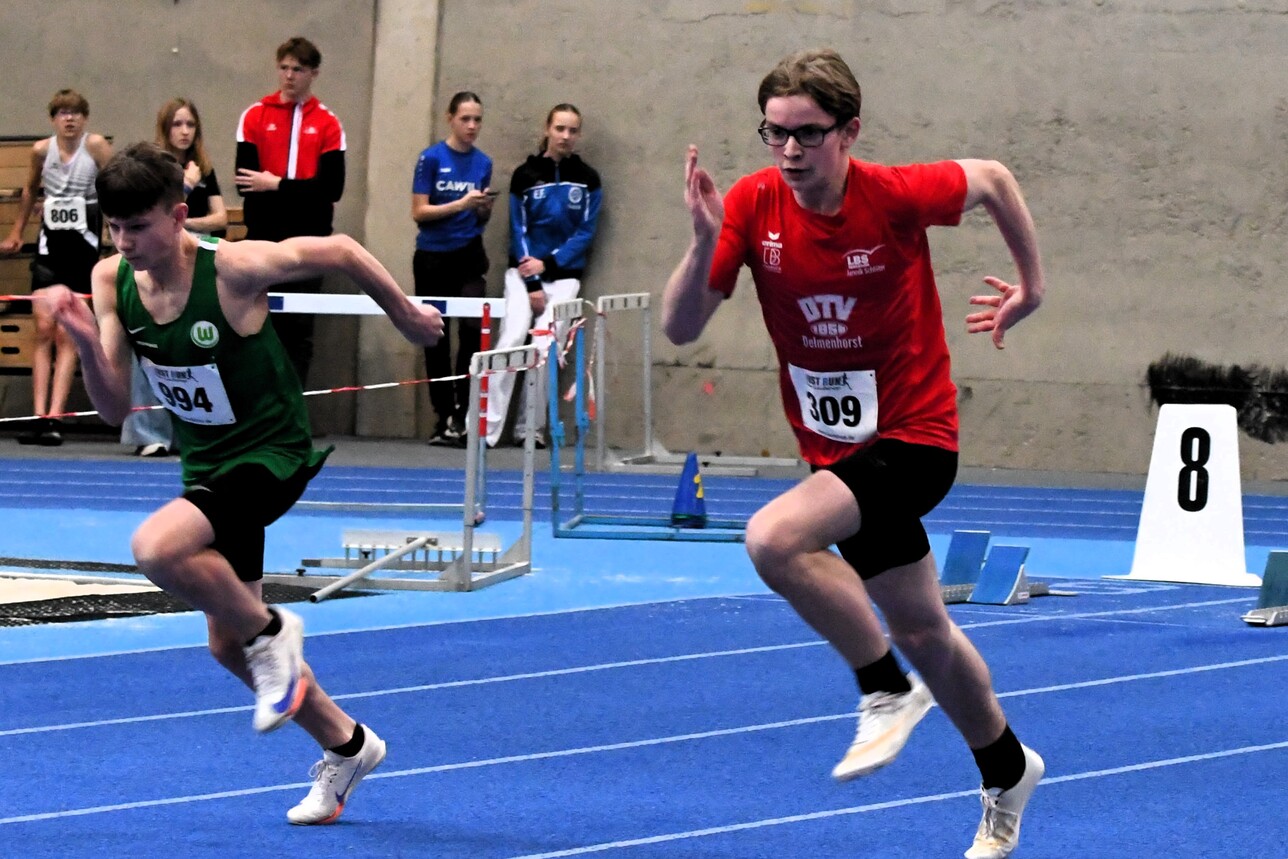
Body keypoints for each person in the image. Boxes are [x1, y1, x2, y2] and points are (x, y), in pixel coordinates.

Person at [660, 49, 1046, 859]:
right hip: (835, 452)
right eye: (775, 133)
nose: (790, 152)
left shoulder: (896, 194)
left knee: (771, 538)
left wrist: (1029, 285)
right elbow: (681, 327)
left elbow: (996, 178)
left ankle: (881, 690)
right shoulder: (752, 203)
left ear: (849, 132)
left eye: (807, 134)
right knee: (927, 630)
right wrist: (701, 243)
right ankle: (1007, 768)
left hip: (914, 437)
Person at [40, 142, 443, 824]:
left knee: (157, 548)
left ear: (177, 217)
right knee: (225, 642)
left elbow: (342, 248)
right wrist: (82, 334)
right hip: (207, 465)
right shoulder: (111, 280)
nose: (126, 242)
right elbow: (113, 410)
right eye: (115, 227)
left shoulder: (234, 268)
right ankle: (346, 745)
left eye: (138, 226)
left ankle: (275, 633)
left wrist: (403, 315)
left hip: (269, 454)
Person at [484, 103, 602, 449]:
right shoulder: (524, 175)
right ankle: (486, 431)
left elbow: (585, 232)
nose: (566, 136)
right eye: (560, 129)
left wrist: (548, 265)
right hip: (522, 274)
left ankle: (529, 430)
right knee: (511, 339)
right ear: (548, 129)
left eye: (572, 130)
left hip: (564, 276)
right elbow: (517, 229)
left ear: (578, 135)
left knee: (545, 347)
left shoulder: (589, 179)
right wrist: (532, 280)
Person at [0, 89, 112, 446]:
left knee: (68, 333)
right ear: (52, 119)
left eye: (76, 113)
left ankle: (55, 418)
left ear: (85, 119)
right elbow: (31, 188)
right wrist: (18, 231)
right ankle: (37, 415)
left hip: (83, 252)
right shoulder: (40, 151)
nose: (69, 119)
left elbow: (115, 188)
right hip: (50, 253)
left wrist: (115, 231)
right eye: (62, 113)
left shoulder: (95, 148)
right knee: (44, 329)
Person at [235, 36, 345, 386]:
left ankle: (293, 411)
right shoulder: (254, 116)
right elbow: (245, 184)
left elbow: (332, 190)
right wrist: (301, 190)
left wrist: (277, 185)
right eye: (284, 67)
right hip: (263, 237)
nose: (289, 76)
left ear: (313, 73)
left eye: (298, 69)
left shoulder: (328, 124)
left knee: (298, 328)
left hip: (309, 240)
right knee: (256, 324)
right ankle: (259, 411)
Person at [123, 97, 229, 457]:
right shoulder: (153, 169)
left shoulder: (205, 168)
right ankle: (149, 431)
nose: (185, 131)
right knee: (151, 345)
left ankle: (196, 433)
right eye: (177, 125)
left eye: (191, 125)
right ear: (165, 128)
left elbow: (220, 220)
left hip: (196, 261)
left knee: (198, 347)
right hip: (158, 264)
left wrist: (184, 228)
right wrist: (184, 189)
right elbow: (151, 215)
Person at [410, 91, 494, 446]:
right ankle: (442, 415)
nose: (472, 126)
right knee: (436, 338)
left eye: (477, 120)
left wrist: (482, 208)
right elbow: (420, 211)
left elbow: (481, 215)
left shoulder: (483, 162)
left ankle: (462, 414)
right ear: (450, 119)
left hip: (468, 254)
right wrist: (461, 203)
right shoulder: (430, 158)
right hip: (433, 256)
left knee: (473, 333)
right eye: (465, 119)